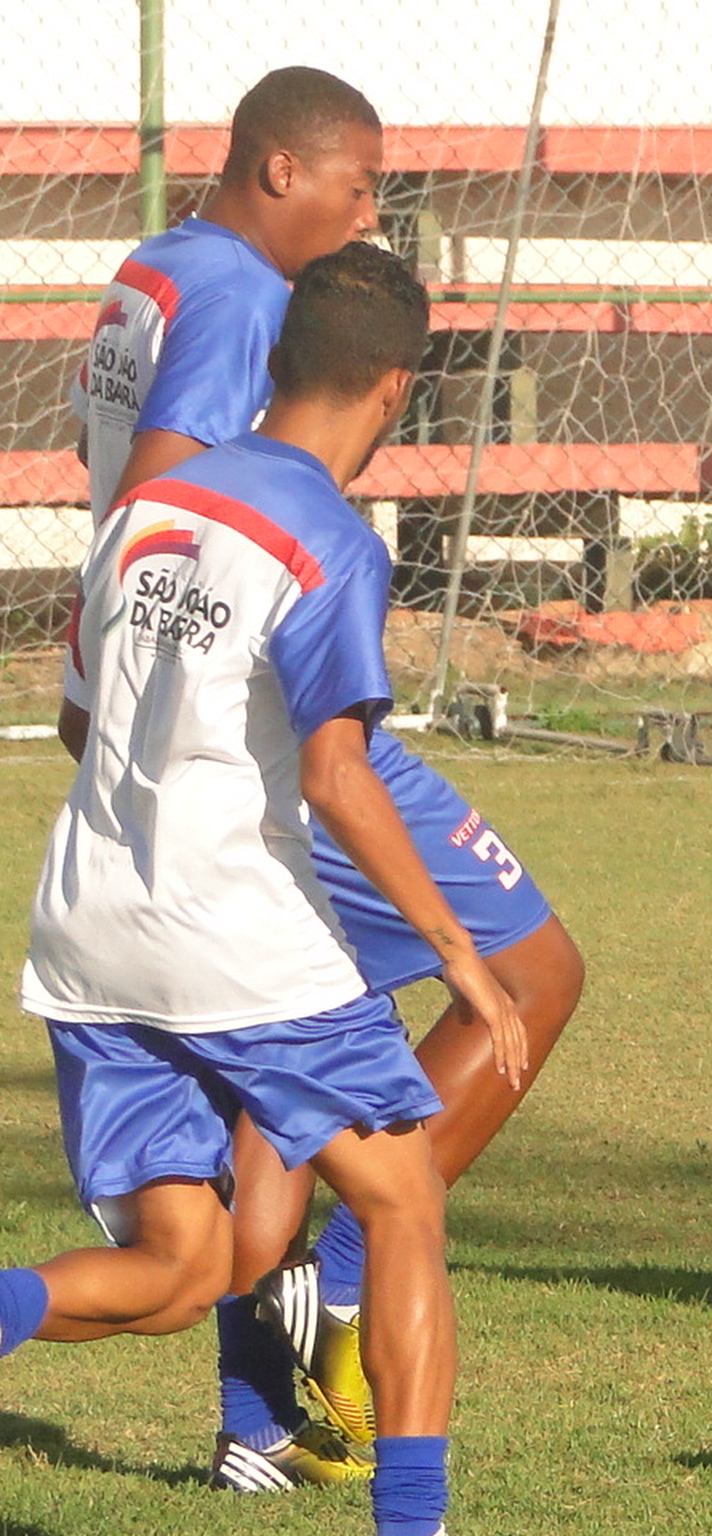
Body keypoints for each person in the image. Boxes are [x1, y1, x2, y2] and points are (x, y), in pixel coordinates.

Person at [68, 65, 585, 1483]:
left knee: (256, 1074)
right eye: (362, 186)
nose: (373, 212)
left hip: (144, 708)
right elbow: (175, 493)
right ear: (282, 172)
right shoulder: (240, 292)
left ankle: (254, 1427)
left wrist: (93, 685)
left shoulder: (155, 267)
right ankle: (344, 1281)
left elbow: (106, 476)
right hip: (255, 715)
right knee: (530, 973)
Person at [9, 242, 527, 1536]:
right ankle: (416, 1525)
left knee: (182, 1268)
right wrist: (458, 956)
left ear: (279, 354)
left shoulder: (150, 504)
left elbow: (81, 731)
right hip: (232, 936)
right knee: (402, 1198)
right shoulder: (331, 543)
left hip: (88, 933)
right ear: (397, 391)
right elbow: (345, 780)